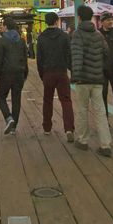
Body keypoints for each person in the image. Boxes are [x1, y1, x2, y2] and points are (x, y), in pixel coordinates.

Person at [70, 5, 112, 157]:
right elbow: (106, 52)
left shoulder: (77, 34)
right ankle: (105, 144)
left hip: (83, 79)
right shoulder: (98, 35)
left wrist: (75, 75)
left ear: (79, 18)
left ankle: (83, 140)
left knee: (82, 110)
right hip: (97, 79)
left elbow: (76, 56)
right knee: (100, 111)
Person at [36, 11, 74, 141]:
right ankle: (69, 128)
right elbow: (69, 55)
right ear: (57, 21)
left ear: (46, 22)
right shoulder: (64, 37)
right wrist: (71, 69)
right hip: (62, 72)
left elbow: (39, 59)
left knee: (48, 100)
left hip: (48, 73)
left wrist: (42, 75)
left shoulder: (41, 38)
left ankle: (47, 127)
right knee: (66, 100)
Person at [0, 17, 29, 135]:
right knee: (16, 99)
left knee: (0, 97)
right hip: (19, 73)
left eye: (2, 25)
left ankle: (8, 117)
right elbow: (25, 58)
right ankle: (14, 127)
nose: (1, 27)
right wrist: (25, 73)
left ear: (6, 27)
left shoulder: (2, 41)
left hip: (6, 74)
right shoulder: (21, 41)